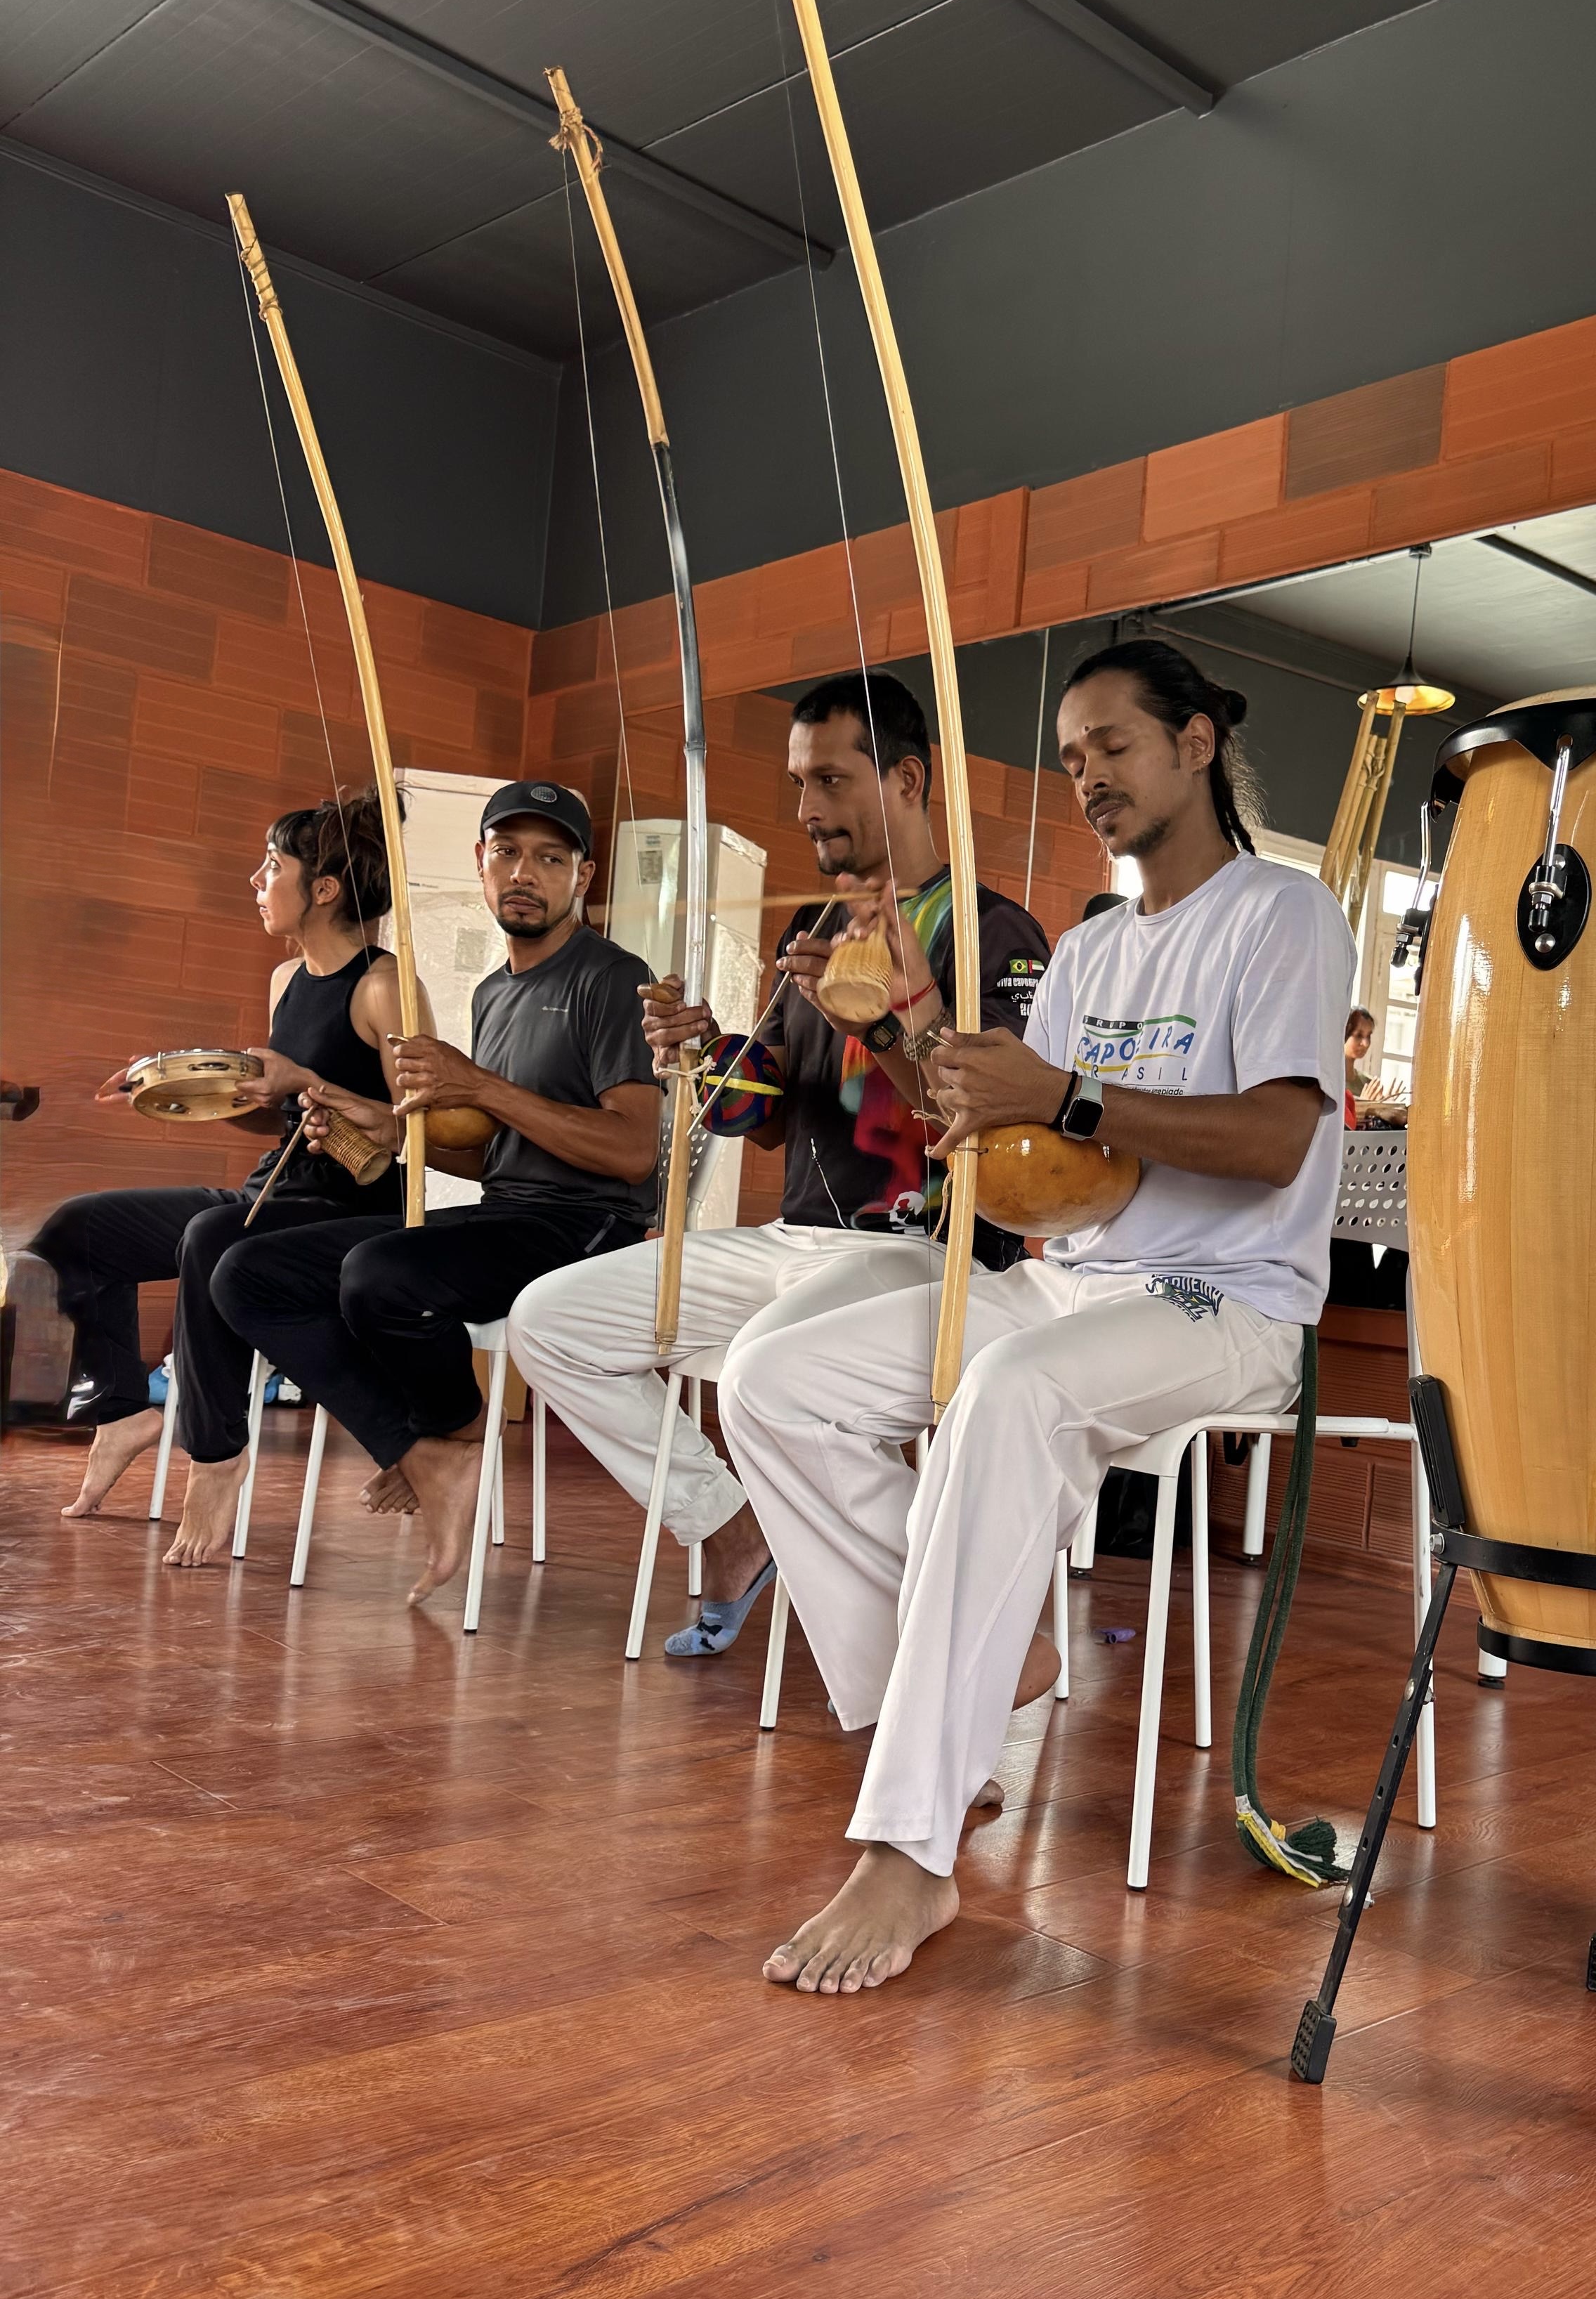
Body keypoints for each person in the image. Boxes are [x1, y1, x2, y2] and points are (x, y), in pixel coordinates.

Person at [719, 637, 1356, 1993]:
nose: (1089, 781)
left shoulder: (1282, 917)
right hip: (1073, 1277)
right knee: (772, 1374)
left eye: (1112, 748)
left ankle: (911, 1846)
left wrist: (1065, 1097)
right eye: (1071, 763)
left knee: (1009, 1397)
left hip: (1225, 1304)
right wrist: (899, 1030)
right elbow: (1012, 1171)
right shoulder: (1088, 947)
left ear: (1195, 743)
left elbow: (1276, 1144)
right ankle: (975, 1671)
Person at [505, 672, 1050, 1657]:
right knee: (549, 1323)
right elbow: (755, 1116)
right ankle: (728, 1525)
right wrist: (700, 1048)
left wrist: (887, 1016)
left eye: (832, 782)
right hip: (794, 1242)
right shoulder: (818, 931)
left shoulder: (990, 932)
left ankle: (941, 1643)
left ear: (910, 780)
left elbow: (988, 1124)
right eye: (800, 783)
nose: (806, 810)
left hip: (931, 1252)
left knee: (765, 1376)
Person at [214, 782, 660, 1603]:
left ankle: (451, 1431)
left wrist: (480, 1084)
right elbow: (497, 1155)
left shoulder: (612, 977)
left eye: (550, 858)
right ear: (481, 865)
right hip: (507, 1213)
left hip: (588, 1226)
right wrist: (392, 1129)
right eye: (507, 852)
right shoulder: (495, 990)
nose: (525, 872)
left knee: (378, 1273)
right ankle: (425, 1451)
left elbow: (632, 1152)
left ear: (584, 875)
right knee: (244, 1270)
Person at [27, 791, 417, 1563]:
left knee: (212, 1237)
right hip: (267, 1191)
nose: (256, 879)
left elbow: (416, 1127)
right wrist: (179, 1097)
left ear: (325, 888)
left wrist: (304, 1079)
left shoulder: (382, 986)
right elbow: (275, 1112)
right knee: (75, 1232)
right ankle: (120, 1409)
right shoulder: (285, 981)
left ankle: (216, 1457)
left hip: (348, 1209)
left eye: (273, 865)